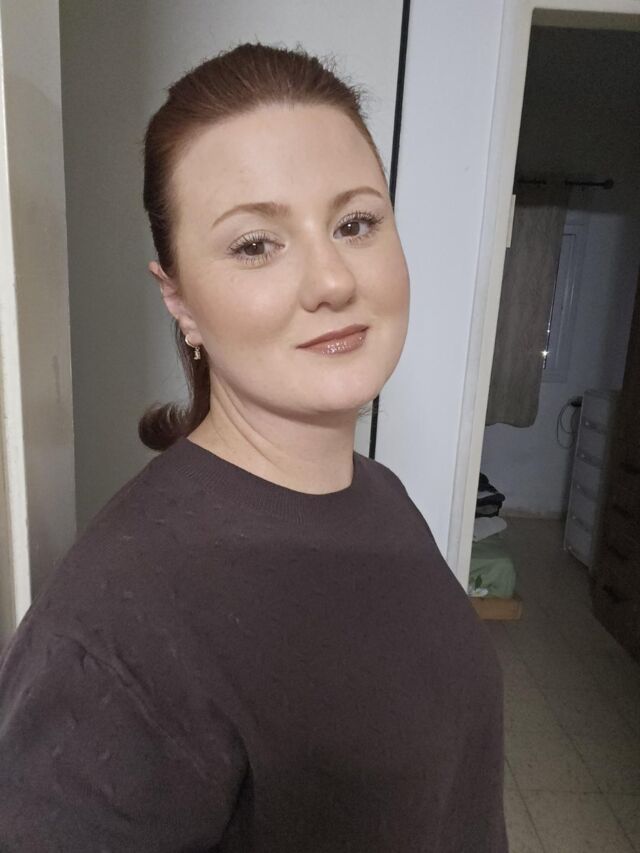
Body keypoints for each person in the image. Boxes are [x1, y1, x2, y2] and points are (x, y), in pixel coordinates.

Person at [0, 41, 508, 852]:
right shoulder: (115, 631)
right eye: (255, 244)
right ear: (179, 300)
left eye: (355, 223)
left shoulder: (378, 494)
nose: (332, 280)